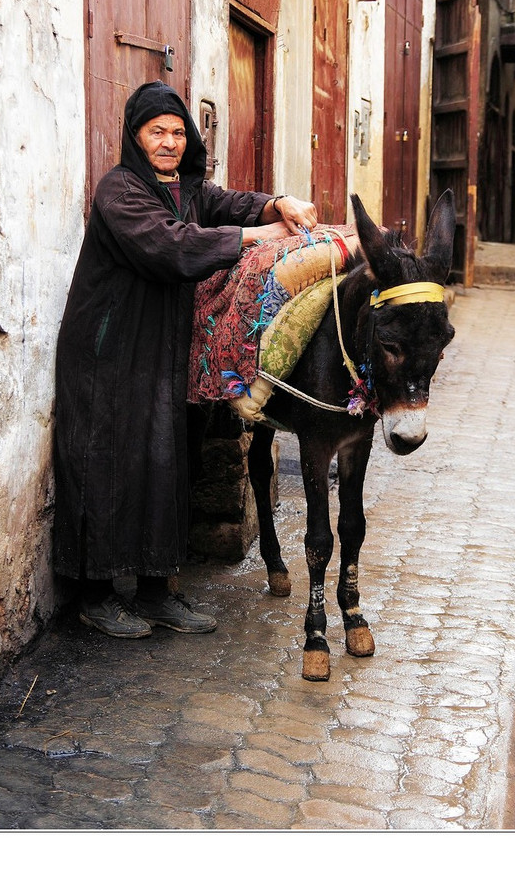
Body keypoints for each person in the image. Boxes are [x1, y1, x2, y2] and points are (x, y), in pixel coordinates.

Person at [53, 80, 317, 639]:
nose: (169, 142)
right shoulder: (120, 191)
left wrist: (278, 203)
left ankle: (156, 591)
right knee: (104, 462)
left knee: (165, 460)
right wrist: (253, 235)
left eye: (177, 132)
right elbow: (171, 245)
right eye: (157, 132)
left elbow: (229, 202)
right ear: (136, 137)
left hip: (163, 347)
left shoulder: (189, 187)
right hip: (108, 350)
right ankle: (94, 595)